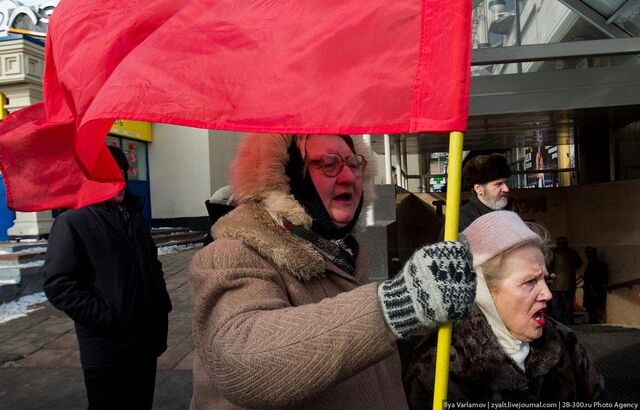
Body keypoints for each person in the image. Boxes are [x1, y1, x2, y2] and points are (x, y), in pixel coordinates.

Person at [189, 133, 477, 409]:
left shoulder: (339, 254)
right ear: (286, 176)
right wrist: (402, 303)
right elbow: (243, 359)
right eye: (329, 164)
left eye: (354, 164)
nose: (349, 176)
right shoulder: (231, 253)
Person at [404, 211, 604, 405]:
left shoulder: (564, 341)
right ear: (483, 291)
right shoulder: (438, 366)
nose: (547, 294)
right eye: (530, 282)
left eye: (545, 279)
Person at [43, 146, 172, 410]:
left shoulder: (135, 218)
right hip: (106, 349)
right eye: (108, 175)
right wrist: (106, 318)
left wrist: (160, 310)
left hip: (144, 343)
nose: (119, 181)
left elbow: (152, 268)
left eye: (122, 173)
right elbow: (59, 284)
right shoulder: (72, 222)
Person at [439, 153, 511, 239]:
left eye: (505, 183)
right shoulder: (459, 220)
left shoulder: (510, 212)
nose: (506, 189)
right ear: (479, 189)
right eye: (498, 184)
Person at [548, 237, 582, 324]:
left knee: (556, 302)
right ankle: (569, 320)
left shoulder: (553, 252)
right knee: (569, 302)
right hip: (570, 281)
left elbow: (549, 264)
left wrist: (552, 272)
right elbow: (579, 264)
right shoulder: (572, 252)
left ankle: (559, 320)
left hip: (557, 281)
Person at [583, 246, 608, 324]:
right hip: (593, 287)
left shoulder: (594, 263)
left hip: (593, 287)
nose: (587, 255)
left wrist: (592, 287)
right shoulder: (595, 263)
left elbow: (594, 276)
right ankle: (593, 319)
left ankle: (593, 319)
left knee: (592, 304)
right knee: (592, 304)